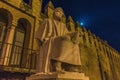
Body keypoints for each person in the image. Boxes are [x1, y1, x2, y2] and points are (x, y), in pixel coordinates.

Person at [36, 7, 81, 73]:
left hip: (60, 40)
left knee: (74, 43)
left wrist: (75, 33)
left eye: (61, 13)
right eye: (58, 11)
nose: (59, 13)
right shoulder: (47, 21)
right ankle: (56, 64)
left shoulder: (63, 25)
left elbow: (67, 33)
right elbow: (38, 35)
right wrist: (40, 45)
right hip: (49, 41)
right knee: (64, 38)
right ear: (54, 12)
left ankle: (72, 66)